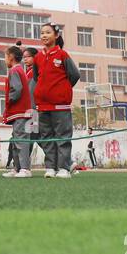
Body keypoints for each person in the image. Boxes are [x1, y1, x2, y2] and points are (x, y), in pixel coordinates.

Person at [33, 22, 80, 178]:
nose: (44, 35)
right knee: (46, 138)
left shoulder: (62, 55)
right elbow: (36, 77)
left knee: (62, 137)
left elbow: (74, 75)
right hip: (43, 106)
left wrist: (62, 90)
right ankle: (51, 168)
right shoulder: (38, 57)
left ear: (56, 35)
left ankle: (64, 168)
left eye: (47, 32)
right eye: (42, 33)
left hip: (60, 106)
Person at [2, 44, 33, 178]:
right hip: (21, 112)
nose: (4, 60)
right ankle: (17, 168)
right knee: (17, 139)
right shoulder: (20, 70)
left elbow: (17, 89)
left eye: (5, 56)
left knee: (21, 140)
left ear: (11, 57)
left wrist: (9, 101)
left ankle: (25, 168)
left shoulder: (15, 71)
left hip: (20, 111)